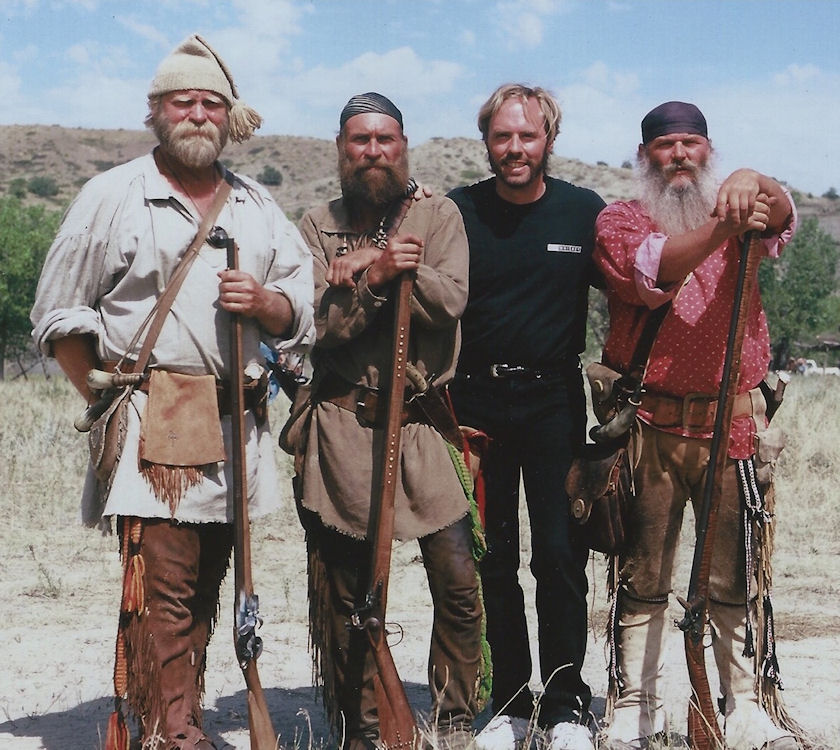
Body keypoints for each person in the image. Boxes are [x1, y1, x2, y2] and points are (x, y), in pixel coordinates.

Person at [30, 35, 313, 750]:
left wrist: (268, 305)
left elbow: (302, 309)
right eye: (181, 102)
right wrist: (113, 400)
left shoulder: (255, 204)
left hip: (234, 429)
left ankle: (170, 718)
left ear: (229, 118)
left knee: (204, 590)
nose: (196, 114)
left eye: (210, 103)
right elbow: (59, 314)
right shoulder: (113, 195)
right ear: (156, 112)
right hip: (152, 427)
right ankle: (171, 732)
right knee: (163, 590)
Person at [593, 101, 803, 750]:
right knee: (644, 575)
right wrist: (723, 222)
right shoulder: (620, 221)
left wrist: (754, 179)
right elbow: (655, 271)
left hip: (731, 431)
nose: (679, 155)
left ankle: (741, 706)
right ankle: (636, 706)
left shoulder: (745, 208)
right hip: (650, 431)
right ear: (644, 156)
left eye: (691, 144)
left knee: (734, 576)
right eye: (665, 146)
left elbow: (786, 214)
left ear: (707, 152)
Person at [295, 92, 488, 750]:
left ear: (404, 145)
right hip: (346, 422)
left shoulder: (440, 214)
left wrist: (402, 269)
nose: (372, 151)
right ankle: (363, 723)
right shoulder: (316, 226)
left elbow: (452, 301)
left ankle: (456, 714)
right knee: (351, 590)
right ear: (341, 147)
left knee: (458, 576)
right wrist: (376, 275)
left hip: (423, 423)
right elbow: (322, 329)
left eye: (384, 140)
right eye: (359, 141)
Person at [447, 83, 606, 750]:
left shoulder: (582, 213)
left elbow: (639, 284)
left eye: (527, 136)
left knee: (561, 558)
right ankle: (511, 703)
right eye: (502, 137)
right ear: (486, 141)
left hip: (553, 404)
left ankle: (567, 704)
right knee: (494, 559)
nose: (515, 148)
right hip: (476, 405)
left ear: (549, 141)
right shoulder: (457, 213)